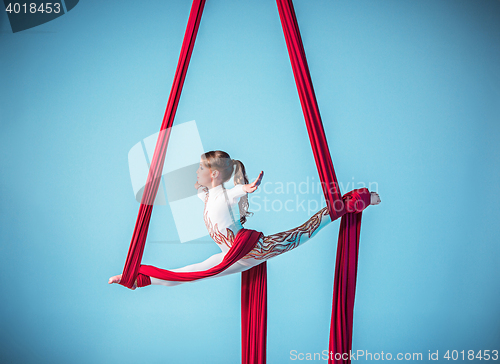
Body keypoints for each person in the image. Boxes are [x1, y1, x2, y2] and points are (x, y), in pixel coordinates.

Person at [109, 150, 381, 289]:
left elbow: (237, 191)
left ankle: (355, 202)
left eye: (201, 168)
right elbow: (190, 191)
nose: (197, 172)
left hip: (252, 250)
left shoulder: (227, 195)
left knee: (306, 231)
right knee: (190, 272)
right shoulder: (207, 198)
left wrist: (247, 189)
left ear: (215, 174)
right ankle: (136, 280)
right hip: (230, 255)